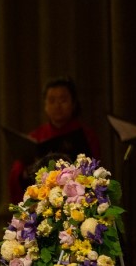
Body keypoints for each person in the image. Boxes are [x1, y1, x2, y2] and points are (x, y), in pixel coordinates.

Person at [8, 76, 101, 204]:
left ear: (73, 104)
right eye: (52, 100)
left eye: (63, 100)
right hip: (43, 202)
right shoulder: (36, 137)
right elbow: (17, 174)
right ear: (45, 106)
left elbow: (95, 172)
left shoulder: (87, 136)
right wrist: (25, 173)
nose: (57, 105)